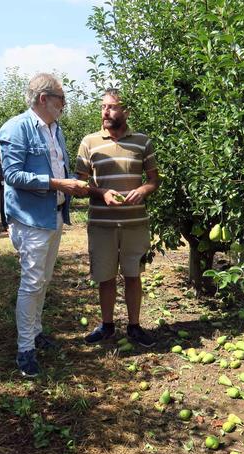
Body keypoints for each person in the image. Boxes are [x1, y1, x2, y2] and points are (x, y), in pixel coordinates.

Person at [0, 73, 89, 377]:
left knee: (44, 280)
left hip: (54, 215)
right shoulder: (17, 128)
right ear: (44, 99)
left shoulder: (55, 129)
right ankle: (25, 350)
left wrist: (69, 185)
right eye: (61, 99)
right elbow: (12, 176)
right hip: (30, 220)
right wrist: (56, 183)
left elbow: (58, 166)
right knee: (32, 282)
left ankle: (35, 332)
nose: (64, 105)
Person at [76, 88, 161, 347]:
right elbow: (78, 184)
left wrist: (143, 190)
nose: (105, 111)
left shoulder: (142, 142)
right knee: (105, 276)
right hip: (102, 224)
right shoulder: (89, 143)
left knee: (134, 275)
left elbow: (153, 180)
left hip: (135, 222)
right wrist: (101, 192)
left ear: (125, 111)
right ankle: (107, 326)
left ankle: (134, 327)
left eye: (111, 107)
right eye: (103, 106)